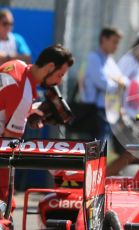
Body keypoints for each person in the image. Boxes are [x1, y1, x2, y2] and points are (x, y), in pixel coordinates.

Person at [0, 44, 74, 209]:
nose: (59, 81)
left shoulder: (15, 65)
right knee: (5, 207)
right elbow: (9, 148)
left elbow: (5, 102)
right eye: (60, 75)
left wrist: (29, 111)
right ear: (49, 67)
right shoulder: (24, 96)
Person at [106, 35, 139, 176]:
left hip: (132, 118)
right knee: (132, 153)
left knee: (137, 153)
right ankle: (103, 178)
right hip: (123, 117)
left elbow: (132, 91)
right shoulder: (128, 61)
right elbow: (116, 85)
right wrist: (119, 111)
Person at [81, 26, 125, 140]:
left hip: (108, 110)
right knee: (94, 148)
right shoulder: (94, 57)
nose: (116, 46)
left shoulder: (109, 60)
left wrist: (117, 81)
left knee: (102, 148)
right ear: (104, 39)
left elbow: (124, 81)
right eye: (114, 42)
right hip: (95, 111)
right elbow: (102, 83)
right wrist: (117, 82)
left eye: (118, 43)